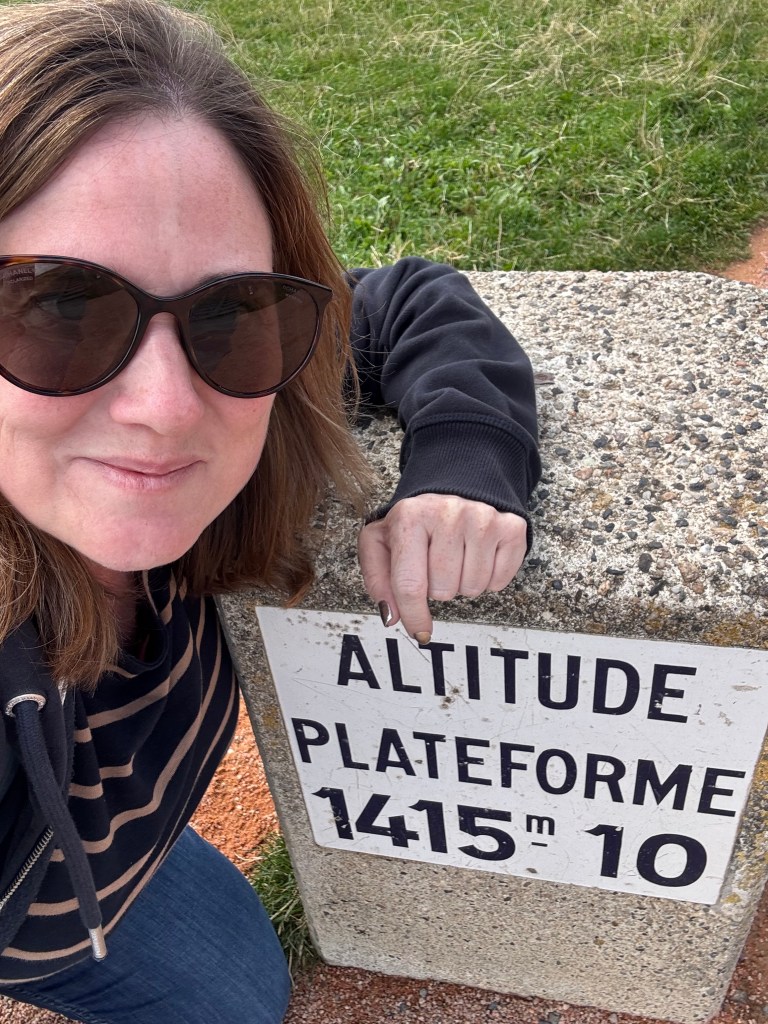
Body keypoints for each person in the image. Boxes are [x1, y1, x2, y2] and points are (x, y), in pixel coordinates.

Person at [0, 0, 541, 1021]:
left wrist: (463, 466)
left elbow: (406, 302)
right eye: (58, 307)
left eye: (228, 310)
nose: (166, 409)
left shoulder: (256, 375)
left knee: (249, 989)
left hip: (123, 852)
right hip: (47, 916)